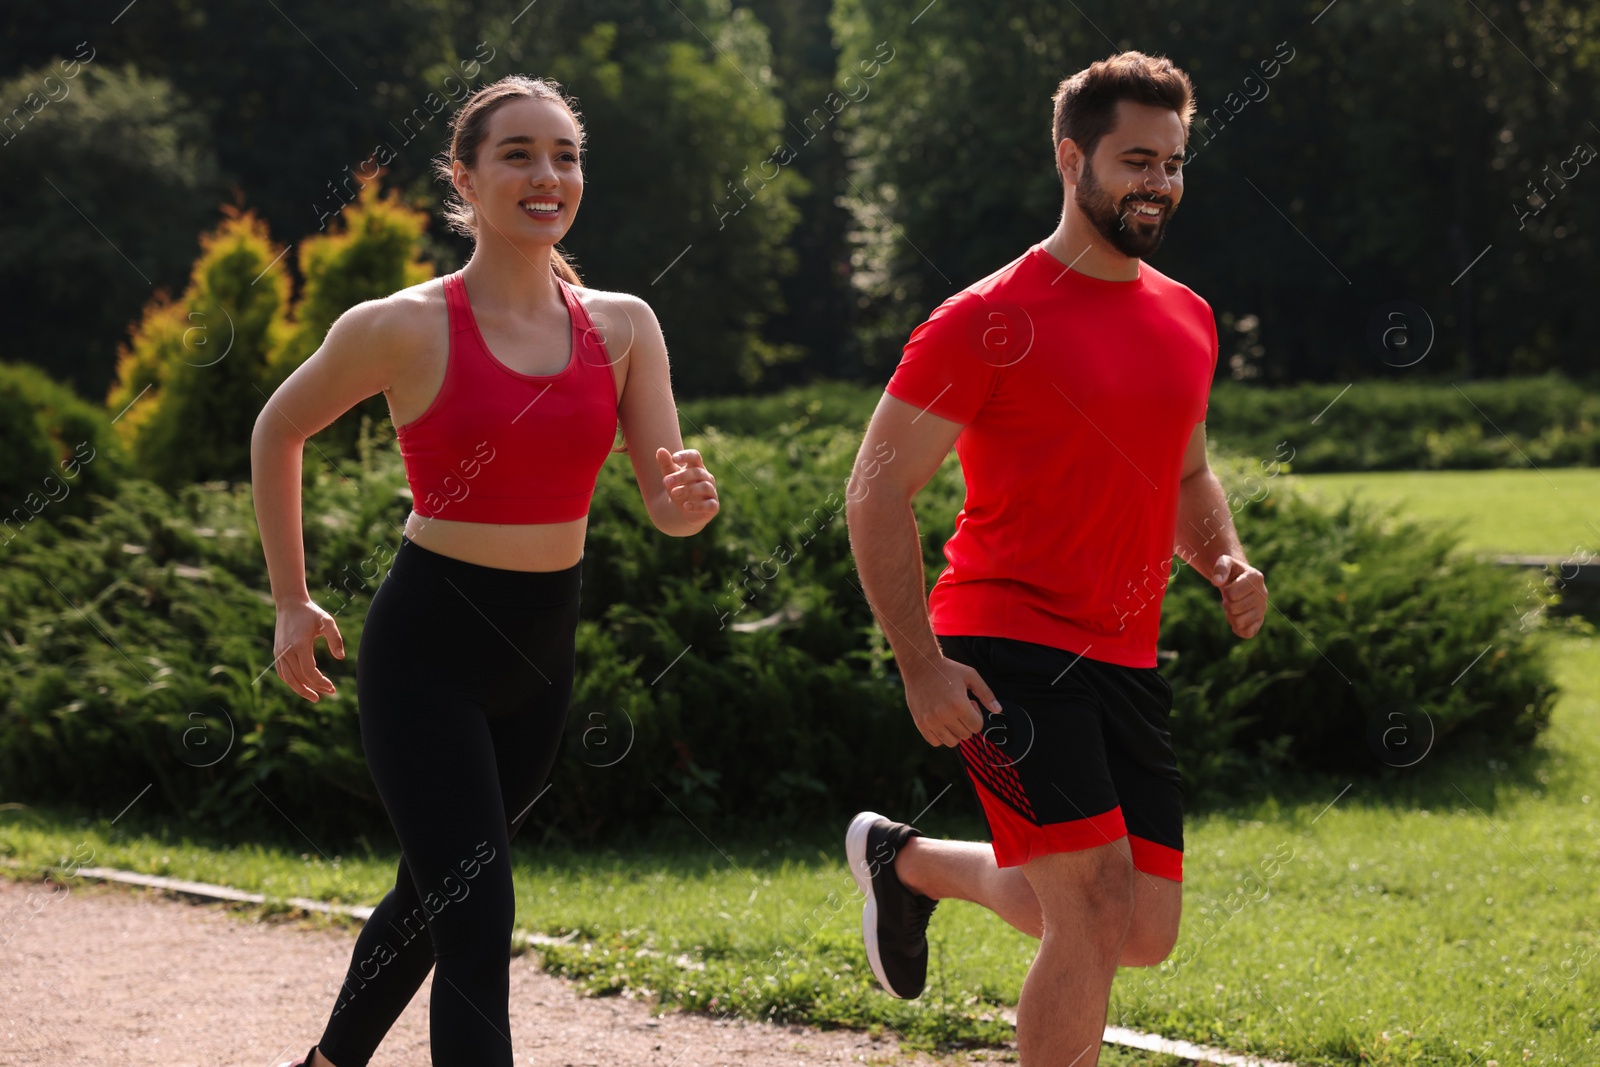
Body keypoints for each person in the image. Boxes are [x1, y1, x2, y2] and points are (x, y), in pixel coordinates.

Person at [251, 75, 718, 1067]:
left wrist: (689, 500)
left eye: (566, 154)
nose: (548, 175)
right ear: (462, 177)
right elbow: (278, 427)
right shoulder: (402, 323)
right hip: (428, 646)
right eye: (518, 154)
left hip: (541, 652)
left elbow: (666, 508)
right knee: (475, 912)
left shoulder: (624, 326)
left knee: (434, 893)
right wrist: (292, 601)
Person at [842, 52, 1268, 1067]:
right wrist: (919, 662)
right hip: (1003, 635)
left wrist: (1225, 561)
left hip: (1122, 650)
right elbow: (874, 488)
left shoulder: (1187, 315)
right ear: (1072, 158)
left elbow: (1187, 476)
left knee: (1141, 929)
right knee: (1088, 906)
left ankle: (906, 865)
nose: (1157, 181)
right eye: (1134, 159)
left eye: (1171, 161)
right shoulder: (986, 318)